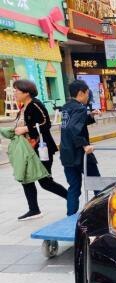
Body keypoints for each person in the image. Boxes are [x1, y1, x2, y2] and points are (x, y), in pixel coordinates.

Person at [12, 79, 68, 221]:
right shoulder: (23, 107)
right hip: (27, 150)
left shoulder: (35, 104)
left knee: (45, 182)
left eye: (17, 90)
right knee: (26, 179)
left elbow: (46, 123)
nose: (15, 93)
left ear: (26, 92)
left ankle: (71, 198)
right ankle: (34, 209)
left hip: (41, 148)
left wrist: (25, 129)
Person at [59, 79, 101, 216]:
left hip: (66, 153)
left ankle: (70, 216)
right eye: (87, 93)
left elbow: (73, 124)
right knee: (96, 183)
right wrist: (84, 145)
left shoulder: (66, 107)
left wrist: (90, 116)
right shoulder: (80, 108)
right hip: (80, 153)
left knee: (74, 187)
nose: (88, 96)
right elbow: (73, 127)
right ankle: (102, 214)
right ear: (81, 93)